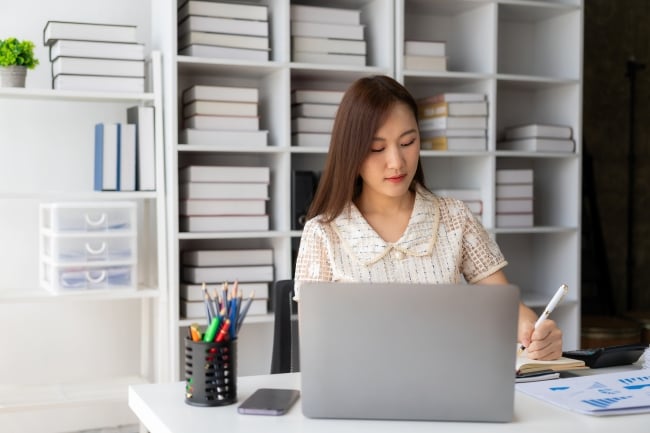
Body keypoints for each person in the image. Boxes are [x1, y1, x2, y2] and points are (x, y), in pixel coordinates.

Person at [293, 75, 563, 360]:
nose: (397, 162)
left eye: (407, 142)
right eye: (377, 148)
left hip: (448, 384)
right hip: (359, 393)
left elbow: (508, 307)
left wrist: (533, 331)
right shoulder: (323, 233)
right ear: (351, 151)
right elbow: (315, 348)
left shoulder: (454, 217)